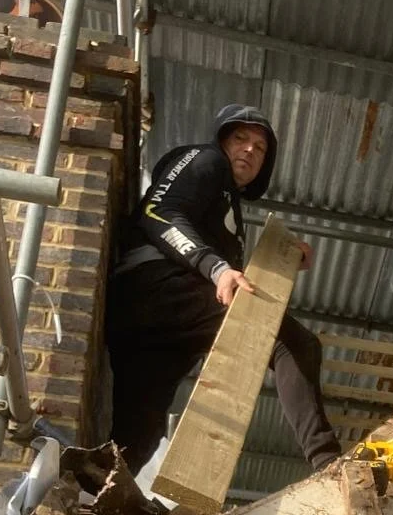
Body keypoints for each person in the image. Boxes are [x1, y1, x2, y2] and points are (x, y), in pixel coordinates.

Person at [105, 103, 341, 475]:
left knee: (137, 439)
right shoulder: (205, 161)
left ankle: (93, 504)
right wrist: (216, 268)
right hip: (156, 287)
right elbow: (159, 213)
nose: (249, 149)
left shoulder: (229, 212)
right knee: (291, 340)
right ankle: (328, 463)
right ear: (222, 141)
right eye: (240, 138)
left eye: (260, 148)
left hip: (157, 334)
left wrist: (283, 258)